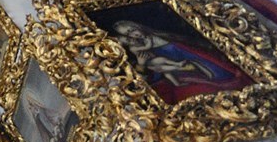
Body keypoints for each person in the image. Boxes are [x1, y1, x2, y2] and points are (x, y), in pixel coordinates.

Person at [107, 19, 250, 103]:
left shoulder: (158, 35)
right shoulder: (138, 48)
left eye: (132, 30)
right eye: (128, 35)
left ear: (137, 26)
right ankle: (179, 70)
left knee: (224, 75)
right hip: (180, 71)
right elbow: (146, 77)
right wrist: (141, 64)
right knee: (161, 66)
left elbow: (191, 46)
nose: (133, 35)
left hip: (199, 60)